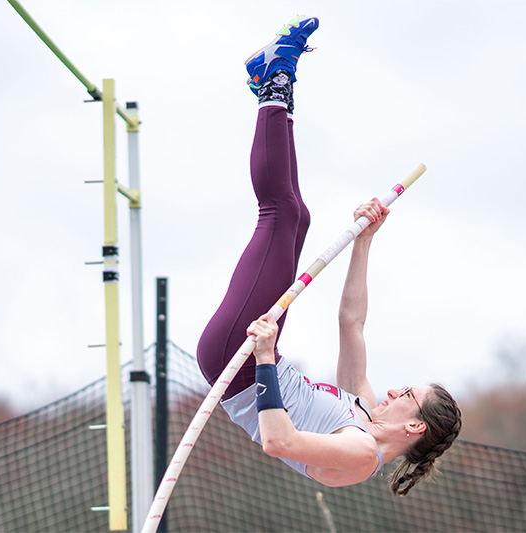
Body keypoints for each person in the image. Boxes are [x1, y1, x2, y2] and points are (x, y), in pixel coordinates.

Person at [197, 15, 462, 495]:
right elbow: (351, 322)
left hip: (240, 363)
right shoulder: (359, 409)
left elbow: (278, 441)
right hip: (254, 359)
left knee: (279, 214)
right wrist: (365, 241)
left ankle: (276, 79)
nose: (394, 389)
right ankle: (268, 81)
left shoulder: (361, 455)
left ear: (415, 426)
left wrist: (264, 357)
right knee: (296, 216)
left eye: (407, 394)